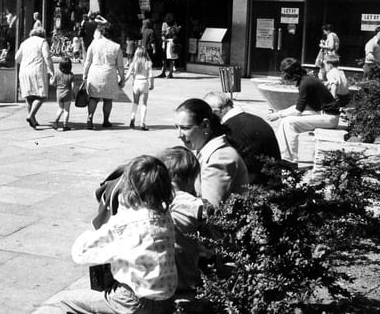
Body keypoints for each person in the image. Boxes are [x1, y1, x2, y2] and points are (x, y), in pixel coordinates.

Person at [53, 155, 177, 314]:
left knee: (66, 302)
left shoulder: (126, 222)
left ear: (129, 188)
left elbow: (80, 253)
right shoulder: (165, 216)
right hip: (166, 301)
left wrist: (91, 233)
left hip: (132, 301)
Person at [157, 146, 214, 294]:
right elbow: (213, 242)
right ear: (190, 179)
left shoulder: (149, 199)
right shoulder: (195, 205)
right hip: (185, 282)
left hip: (154, 281)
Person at [175, 98, 249, 207]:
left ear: (205, 125)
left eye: (185, 128)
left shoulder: (219, 158)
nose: (179, 134)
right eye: (177, 127)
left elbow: (210, 210)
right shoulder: (207, 150)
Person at [266, 58, 340, 162]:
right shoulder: (307, 79)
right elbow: (299, 106)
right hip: (325, 115)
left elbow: (297, 112)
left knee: (289, 123)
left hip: (329, 118)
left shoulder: (305, 84)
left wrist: (279, 114)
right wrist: (280, 114)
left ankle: (289, 160)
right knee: (285, 121)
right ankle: (281, 154)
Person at [204, 92, 281, 186]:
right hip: (272, 184)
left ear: (217, 111)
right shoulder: (256, 119)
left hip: (255, 189)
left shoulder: (229, 129)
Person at [82, 23, 125, 130]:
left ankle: (90, 117)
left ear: (101, 32)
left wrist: (84, 75)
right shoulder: (116, 47)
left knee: (93, 97)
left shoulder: (94, 43)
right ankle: (105, 120)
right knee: (108, 99)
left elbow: (87, 61)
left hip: (95, 72)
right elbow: (120, 66)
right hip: (109, 74)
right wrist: (122, 78)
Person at [15, 27, 54, 128]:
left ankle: (33, 120)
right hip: (37, 70)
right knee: (42, 96)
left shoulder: (25, 42)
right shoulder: (42, 42)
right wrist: (51, 71)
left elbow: (17, 58)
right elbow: (47, 57)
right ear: (43, 35)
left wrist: (26, 62)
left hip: (24, 71)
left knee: (29, 96)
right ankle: (31, 115)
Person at [126, 45, 154, 131]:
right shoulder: (148, 62)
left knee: (135, 102)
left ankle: (132, 117)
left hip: (136, 82)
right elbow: (151, 75)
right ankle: (142, 123)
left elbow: (128, 75)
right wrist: (151, 84)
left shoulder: (133, 63)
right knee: (144, 103)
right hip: (144, 82)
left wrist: (122, 82)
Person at [51, 56, 74, 131]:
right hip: (67, 94)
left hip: (59, 93)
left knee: (60, 109)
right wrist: (74, 93)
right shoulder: (71, 75)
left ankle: (56, 122)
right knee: (66, 110)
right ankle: (65, 125)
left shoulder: (57, 73)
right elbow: (73, 86)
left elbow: (52, 83)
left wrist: (51, 80)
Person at [161, 13, 180, 78]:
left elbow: (163, 34)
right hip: (171, 42)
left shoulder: (164, 24)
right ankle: (168, 73)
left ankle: (167, 73)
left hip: (167, 42)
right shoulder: (174, 24)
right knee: (170, 59)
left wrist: (164, 39)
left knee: (167, 59)